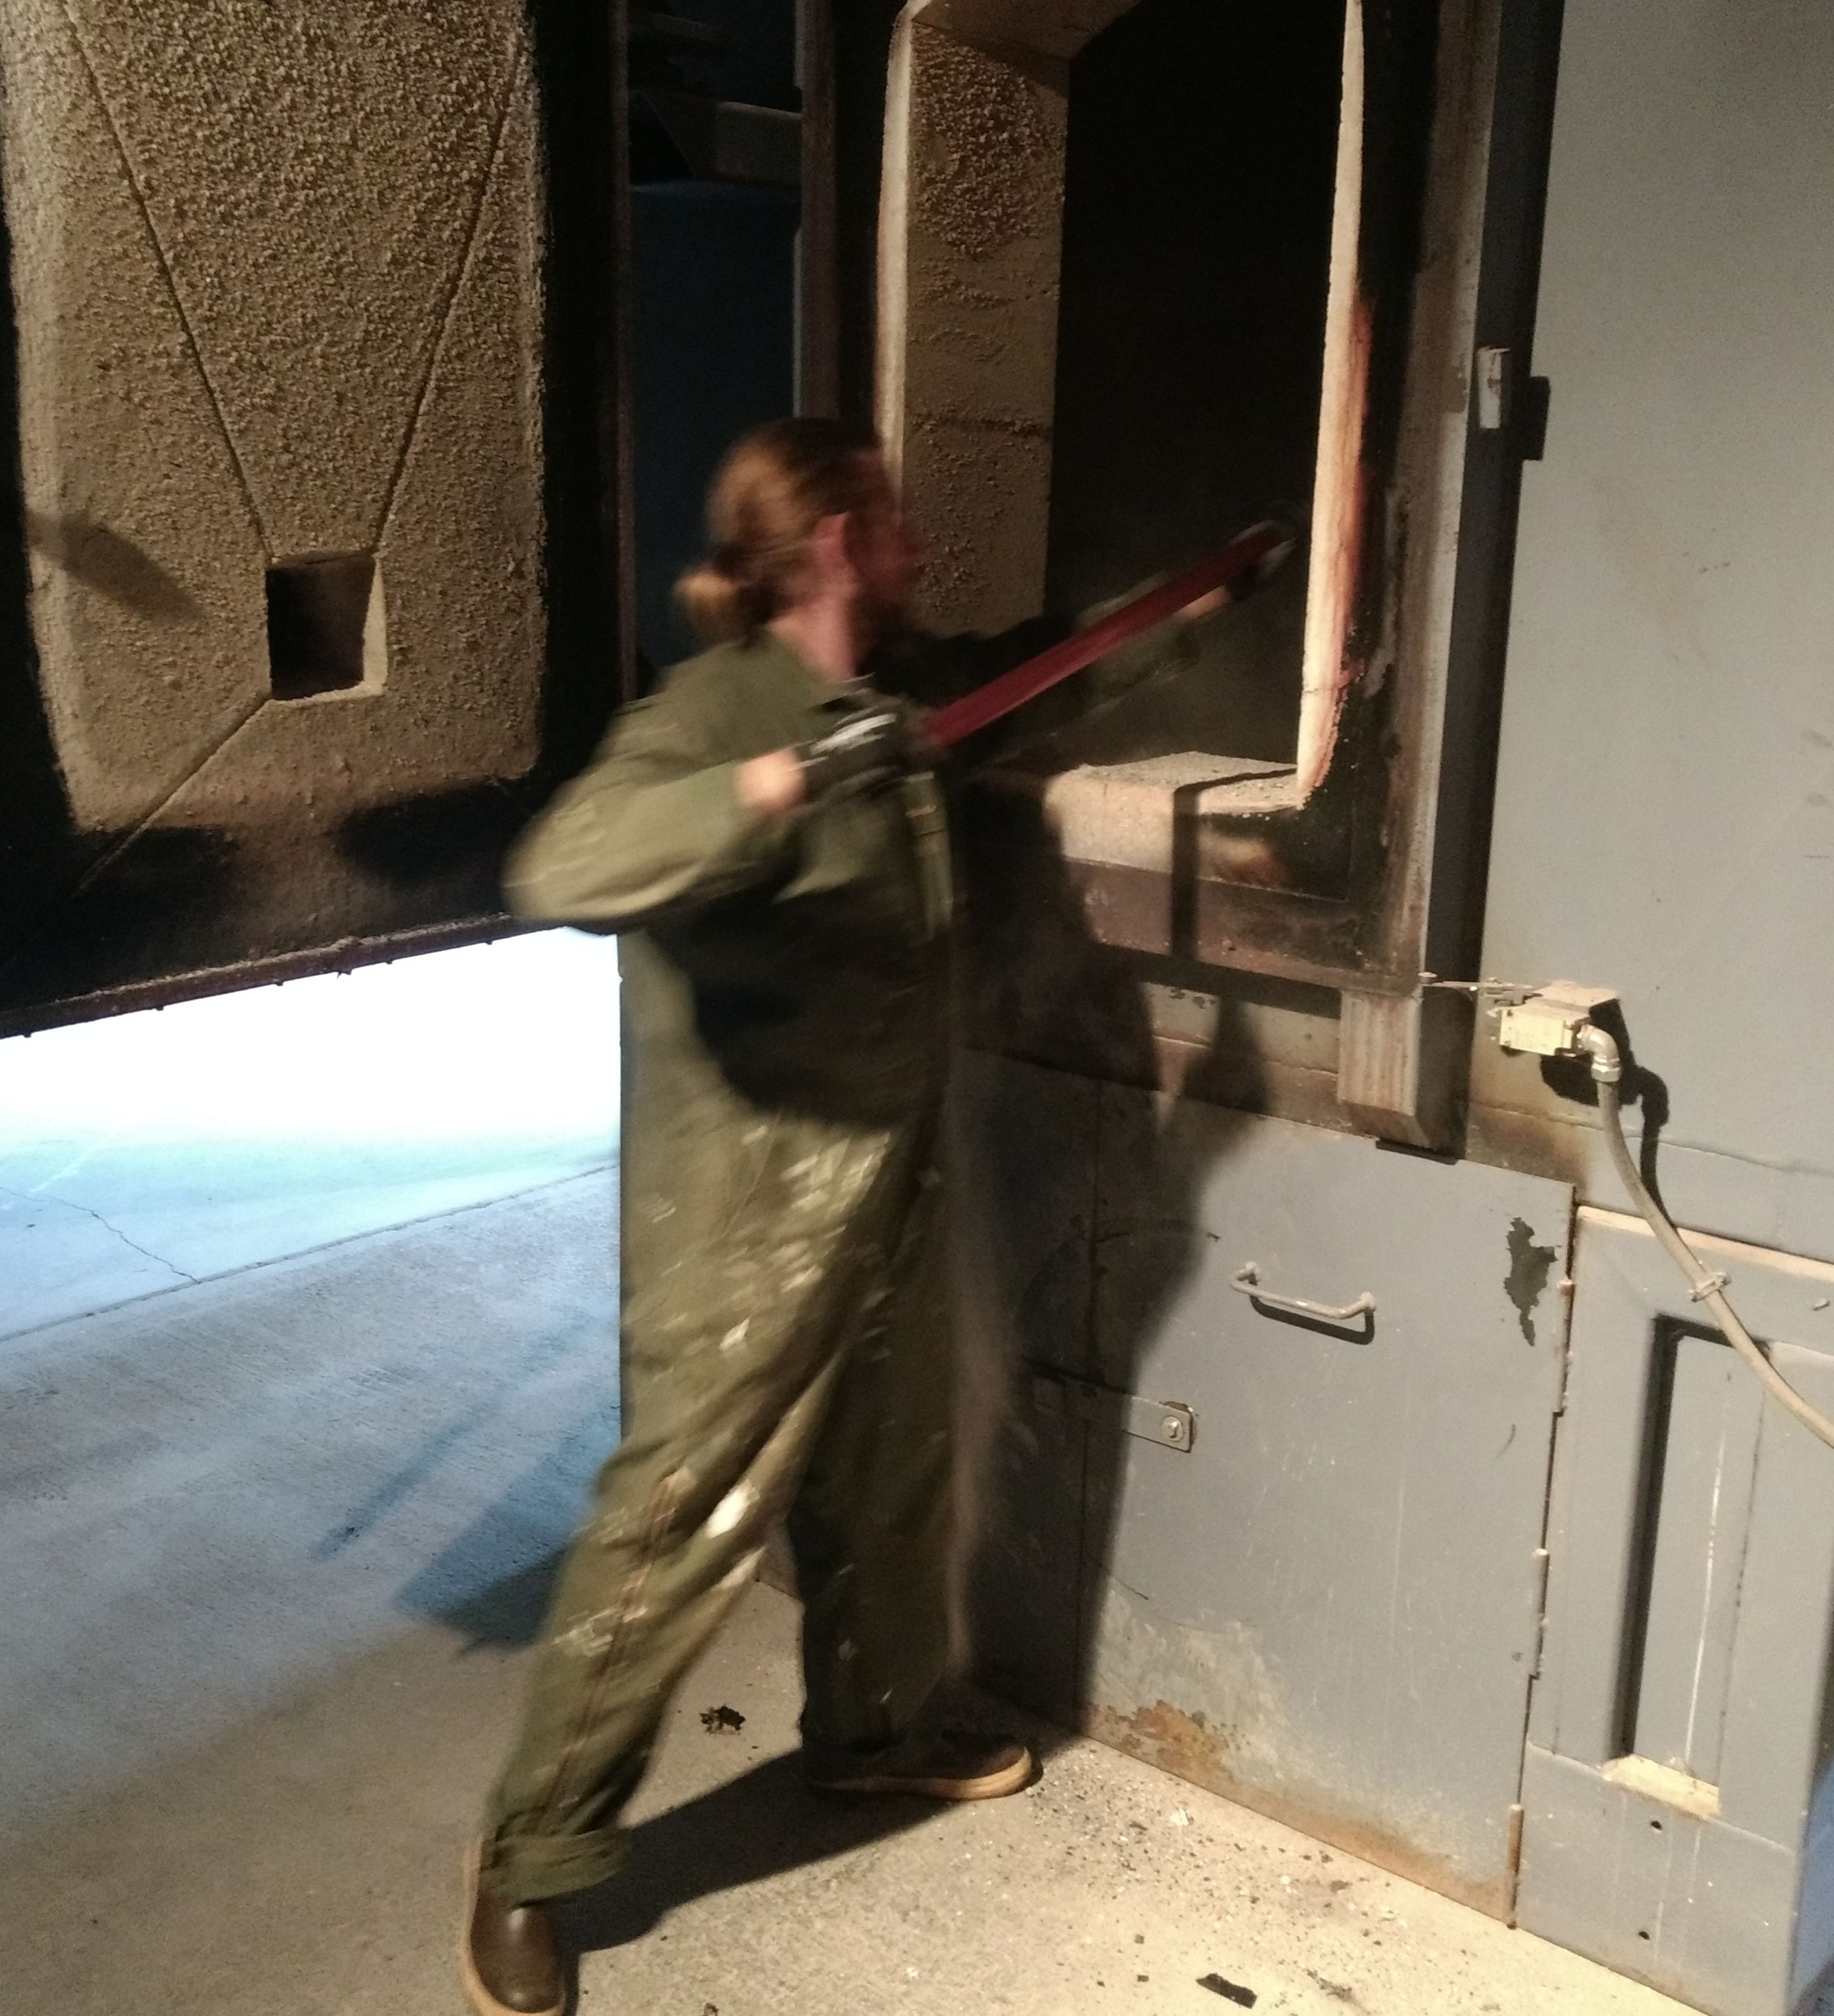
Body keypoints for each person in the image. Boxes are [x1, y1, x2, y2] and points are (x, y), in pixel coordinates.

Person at [461, 418, 1040, 2016]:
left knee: (892, 1467)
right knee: (677, 1525)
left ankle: (873, 1729)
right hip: (746, 1202)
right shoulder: (716, 710)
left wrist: (1192, 612)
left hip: (888, 1168)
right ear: (840, 536)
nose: (917, 540)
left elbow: (1030, 686)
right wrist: (779, 780)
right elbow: (561, 864)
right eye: (895, 517)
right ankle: (534, 1855)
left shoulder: (893, 694)